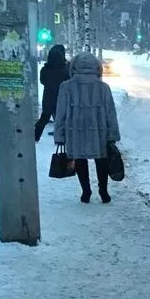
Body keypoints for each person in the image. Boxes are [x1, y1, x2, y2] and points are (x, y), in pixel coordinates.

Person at [54, 52, 121, 204]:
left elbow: (61, 113)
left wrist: (60, 135)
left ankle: (86, 192)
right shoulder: (103, 88)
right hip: (98, 131)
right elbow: (111, 113)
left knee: (80, 160)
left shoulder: (66, 87)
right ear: (97, 68)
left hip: (75, 131)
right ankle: (103, 191)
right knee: (101, 160)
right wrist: (113, 134)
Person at [34, 45, 70, 141]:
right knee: (62, 119)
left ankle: (35, 136)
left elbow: (42, 81)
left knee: (44, 118)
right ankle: (62, 138)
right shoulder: (65, 70)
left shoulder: (45, 69)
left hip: (48, 97)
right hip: (62, 98)